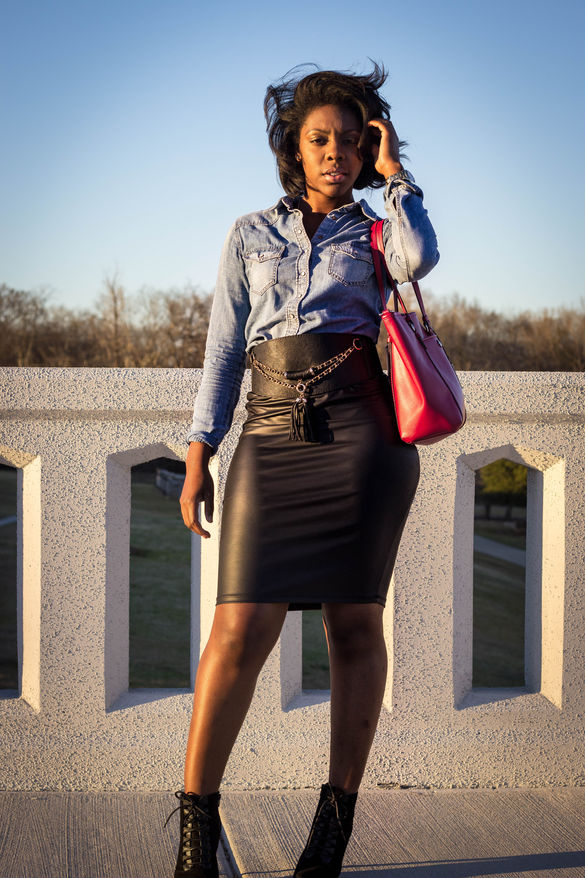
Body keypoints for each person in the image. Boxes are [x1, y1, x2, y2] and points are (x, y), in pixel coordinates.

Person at [169, 63, 439, 878]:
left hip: (362, 438)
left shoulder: (379, 229)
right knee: (235, 631)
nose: (337, 154)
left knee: (354, 629)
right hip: (270, 432)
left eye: (353, 143)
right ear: (294, 147)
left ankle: (330, 834)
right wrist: (198, 455)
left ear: (368, 152)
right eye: (321, 140)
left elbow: (420, 260)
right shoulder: (251, 232)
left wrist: (400, 180)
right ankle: (193, 838)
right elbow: (222, 349)